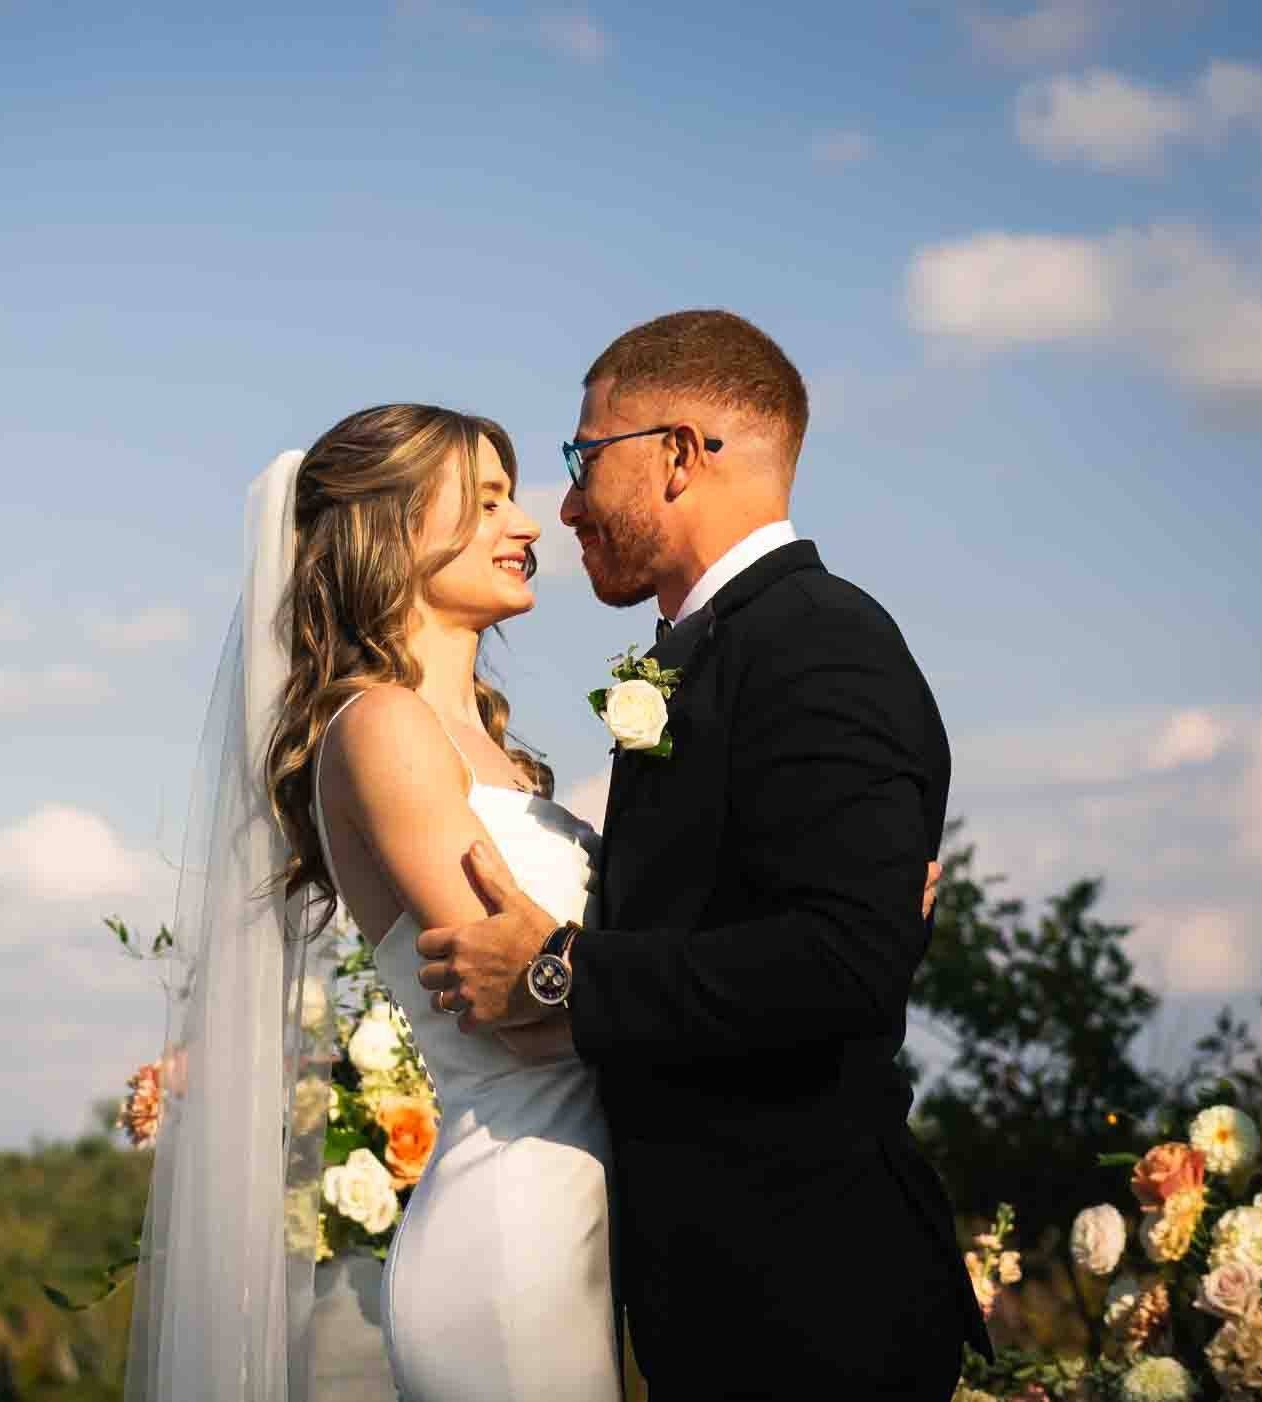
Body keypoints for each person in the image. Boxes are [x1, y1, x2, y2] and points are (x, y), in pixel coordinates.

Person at [127, 384, 946, 1401]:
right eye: (483, 501)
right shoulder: (382, 728)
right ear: (387, 529)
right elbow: (520, 1012)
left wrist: (841, 908)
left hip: (592, 1223)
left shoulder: (493, 750)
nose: (528, 524)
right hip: (513, 1226)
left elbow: (575, 968)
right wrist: (811, 950)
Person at [415, 309, 993, 1399]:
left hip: (814, 1303)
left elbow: (844, 959)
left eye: (585, 457)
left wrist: (559, 971)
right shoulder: (717, 653)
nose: (567, 505)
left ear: (678, 454)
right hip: (718, 1296)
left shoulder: (820, 643)